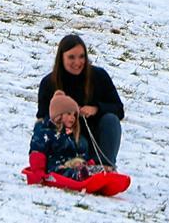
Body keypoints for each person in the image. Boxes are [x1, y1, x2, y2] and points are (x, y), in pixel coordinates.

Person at [36, 34, 124, 169]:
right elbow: (42, 120)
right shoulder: (49, 83)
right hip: (67, 141)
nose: (77, 62)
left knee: (111, 119)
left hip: (96, 137)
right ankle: (72, 167)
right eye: (71, 57)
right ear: (61, 58)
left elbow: (118, 109)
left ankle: (105, 166)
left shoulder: (99, 76)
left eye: (81, 57)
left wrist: (96, 109)